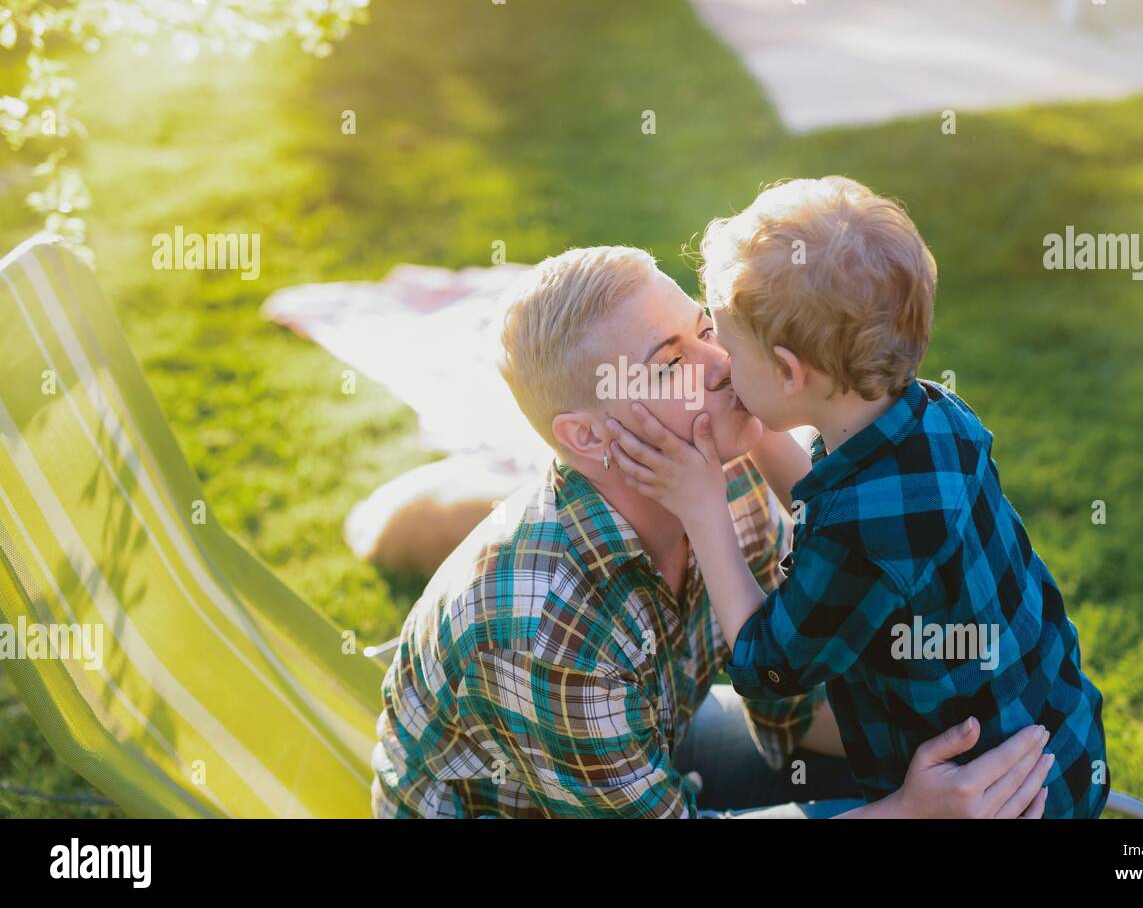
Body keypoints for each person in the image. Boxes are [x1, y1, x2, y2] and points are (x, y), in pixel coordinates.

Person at [370, 244, 1053, 818]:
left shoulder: (726, 471)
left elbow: (785, 696)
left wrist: (963, 739)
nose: (723, 363)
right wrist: (906, 811)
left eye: (705, 329)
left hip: (655, 739)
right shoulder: (544, 628)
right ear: (585, 435)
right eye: (671, 362)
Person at [605, 178, 1108, 817]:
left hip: (988, 800)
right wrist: (757, 430)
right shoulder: (926, 416)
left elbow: (769, 666)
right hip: (1055, 734)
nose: (718, 367)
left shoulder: (869, 531)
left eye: (727, 349)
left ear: (790, 373)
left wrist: (704, 510)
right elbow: (826, 503)